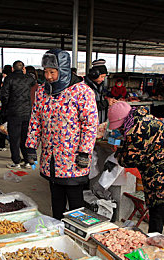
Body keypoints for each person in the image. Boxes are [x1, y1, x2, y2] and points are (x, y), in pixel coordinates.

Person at [26, 49, 98, 219]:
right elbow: (35, 119)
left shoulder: (82, 92)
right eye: (45, 72)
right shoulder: (42, 92)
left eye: (52, 72)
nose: (48, 76)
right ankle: (57, 229)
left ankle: (76, 235)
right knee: (56, 198)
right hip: (50, 157)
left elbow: (90, 124)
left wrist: (84, 151)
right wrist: (30, 146)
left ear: (63, 70)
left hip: (72, 158)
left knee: (75, 201)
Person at [110, 102, 164, 236]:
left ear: (122, 120)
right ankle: (153, 242)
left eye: (119, 126)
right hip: (163, 173)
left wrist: (118, 151)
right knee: (155, 211)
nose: (120, 129)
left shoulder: (136, 130)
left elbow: (128, 160)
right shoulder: (144, 118)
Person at [1, 60, 36, 169]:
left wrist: (5, 107)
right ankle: (28, 161)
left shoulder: (9, 78)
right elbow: (34, 82)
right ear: (23, 68)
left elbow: (4, 95)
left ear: (12, 68)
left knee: (14, 138)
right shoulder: (28, 79)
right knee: (25, 138)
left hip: (14, 112)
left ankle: (16, 162)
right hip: (27, 112)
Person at [84, 59, 113, 123]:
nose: (103, 79)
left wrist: (107, 99)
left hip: (100, 122)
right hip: (89, 123)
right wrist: (105, 103)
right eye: (102, 77)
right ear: (94, 74)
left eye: (104, 77)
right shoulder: (85, 87)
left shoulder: (99, 86)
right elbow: (88, 106)